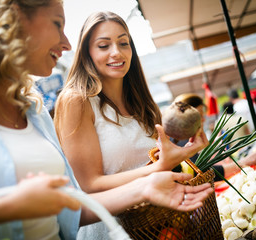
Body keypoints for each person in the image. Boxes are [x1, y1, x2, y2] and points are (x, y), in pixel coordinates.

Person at [0, 1, 214, 239]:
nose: (67, 43)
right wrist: (13, 206)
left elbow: (73, 206)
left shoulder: (33, 108)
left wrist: (145, 187)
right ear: (14, 17)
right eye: (57, 24)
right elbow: (87, 187)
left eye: (124, 43)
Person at [53, 11, 210, 240]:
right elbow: (90, 185)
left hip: (161, 227)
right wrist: (157, 168)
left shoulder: (144, 104)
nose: (117, 52)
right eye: (104, 45)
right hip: (112, 231)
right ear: (87, 52)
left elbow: (158, 162)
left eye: (123, 43)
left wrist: (184, 150)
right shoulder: (77, 100)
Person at [172, 93, 256, 180]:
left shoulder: (186, 138)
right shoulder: (180, 141)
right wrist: (242, 163)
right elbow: (201, 171)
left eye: (203, 115)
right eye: (199, 115)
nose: (203, 119)